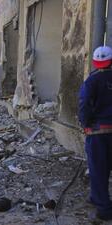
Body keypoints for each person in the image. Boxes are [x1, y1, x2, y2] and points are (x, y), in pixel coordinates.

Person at [79, 46, 112, 221]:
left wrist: (85, 124)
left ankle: (104, 209)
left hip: (98, 132)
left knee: (98, 169)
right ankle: (97, 198)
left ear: (95, 62)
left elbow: (84, 103)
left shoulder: (91, 81)